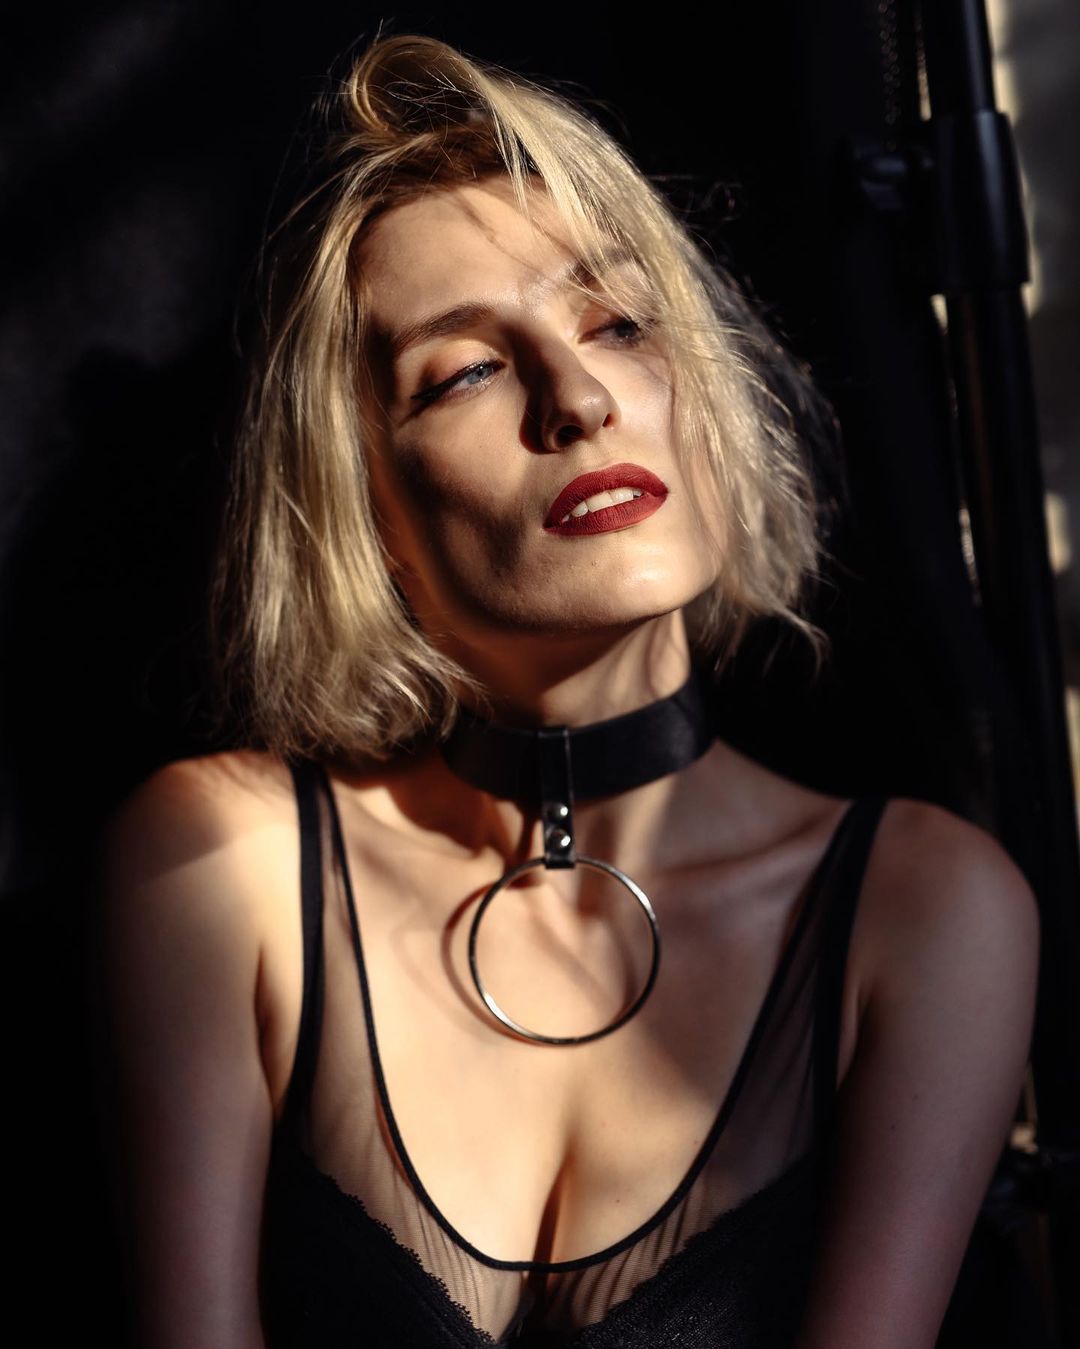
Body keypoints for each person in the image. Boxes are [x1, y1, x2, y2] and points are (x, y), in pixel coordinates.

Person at [96, 32, 1040, 1349]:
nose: (579, 397)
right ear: (367, 510)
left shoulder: (923, 907)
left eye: (619, 322)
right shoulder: (229, 863)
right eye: (466, 372)